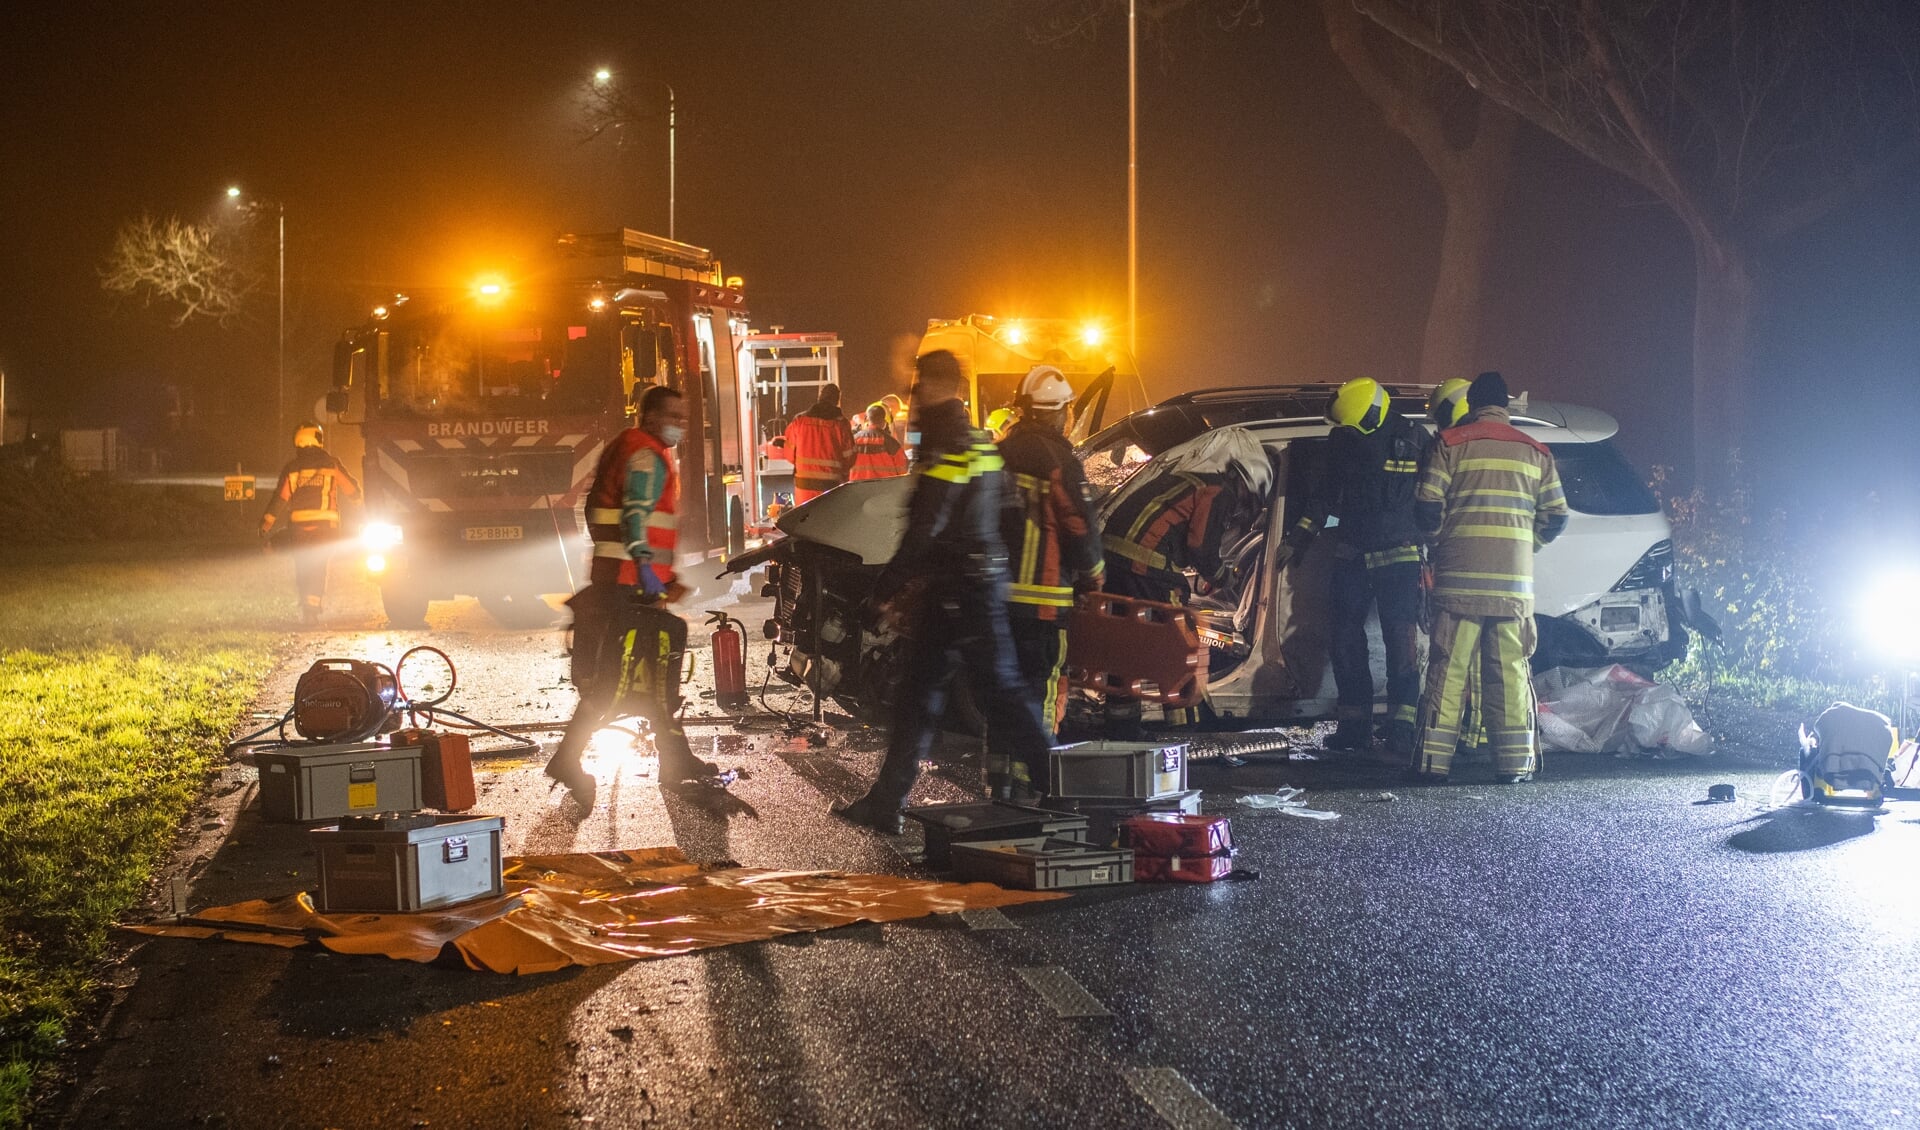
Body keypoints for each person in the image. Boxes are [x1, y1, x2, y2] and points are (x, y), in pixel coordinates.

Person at [832, 350, 1056, 833]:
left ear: (932, 384)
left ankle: (1062, 788)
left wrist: (886, 588)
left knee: (1002, 695)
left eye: (917, 385)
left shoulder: (946, 439)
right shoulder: (976, 438)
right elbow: (1004, 509)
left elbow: (929, 520)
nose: (912, 396)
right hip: (971, 583)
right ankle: (886, 800)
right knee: (922, 695)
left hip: (963, 590)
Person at [546, 384, 716, 807]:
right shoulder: (645, 456)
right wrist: (643, 567)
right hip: (628, 585)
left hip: (622, 581)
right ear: (651, 417)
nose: (680, 425)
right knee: (618, 679)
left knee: (652, 671)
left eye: (684, 417)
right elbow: (635, 514)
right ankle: (567, 758)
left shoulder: (630, 448)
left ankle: (676, 759)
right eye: (674, 417)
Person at [1410, 371, 1569, 783]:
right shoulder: (1536, 452)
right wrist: (1525, 545)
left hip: (1460, 582)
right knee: (1510, 673)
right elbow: (1557, 516)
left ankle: (1432, 764)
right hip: (1512, 588)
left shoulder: (1450, 445)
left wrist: (1442, 540)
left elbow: (1427, 506)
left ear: (1473, 403)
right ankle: (1514, 765)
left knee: (1448, 671)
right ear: (1507, 405)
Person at [1275, 378, 1430, 756]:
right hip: (1352, 554)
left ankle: (1401, 728)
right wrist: (1298, 538)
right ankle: (1354, 725)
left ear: (1373, 412)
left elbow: (1433, 498)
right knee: (1344, 640)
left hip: (1400, 557)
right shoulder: (1343, 439)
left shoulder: (1415, 437)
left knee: (1400, 644)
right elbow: (1325, 494)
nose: (1350, 433)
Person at [1100, 428, 1271, 729]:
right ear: (1246, 483)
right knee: (1179, 640)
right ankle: (1188, 724)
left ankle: (1120, 721)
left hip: (1114, 562)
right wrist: (1222, 578)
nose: (1244, 505)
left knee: (1125, 642)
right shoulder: (1218, 491)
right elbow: (1201, 548)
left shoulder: (1189, 479)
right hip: (1144, 566)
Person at [997, 365, 1105, 745]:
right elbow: (1078, 523)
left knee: (1003, 693)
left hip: (997, 603)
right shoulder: (1060, 462)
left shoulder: (999, 454)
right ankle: (1037, 781)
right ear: (1057, 411)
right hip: (1044, 605)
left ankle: (1002, 784)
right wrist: (1095, 575)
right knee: (1041, 690)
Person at [258, 422, 360, 626]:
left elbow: (280, 498)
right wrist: (359, 501)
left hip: (299, 528)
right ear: (317, 439)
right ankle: (313, 607)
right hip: (326, 527)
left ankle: (307, 608)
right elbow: (351, 489)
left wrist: (266, 522)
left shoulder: (292, 468)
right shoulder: (331, 464)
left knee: (303, 565)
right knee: (320, 565)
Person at [781, 383, 856, 503]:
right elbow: (850, 458)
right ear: (837, 400)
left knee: (806, 520)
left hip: (804, 487)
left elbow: (790, 454)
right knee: (828, 520)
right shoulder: (841, 425)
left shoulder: (799, 422)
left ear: (819, 398)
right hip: (831, 486)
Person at [849, 403, 909, 481]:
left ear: (867, 419)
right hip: (884, 489)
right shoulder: (891, 443)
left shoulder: (854, 440)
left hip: (856, 488)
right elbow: (903, 469)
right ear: (883, 421)